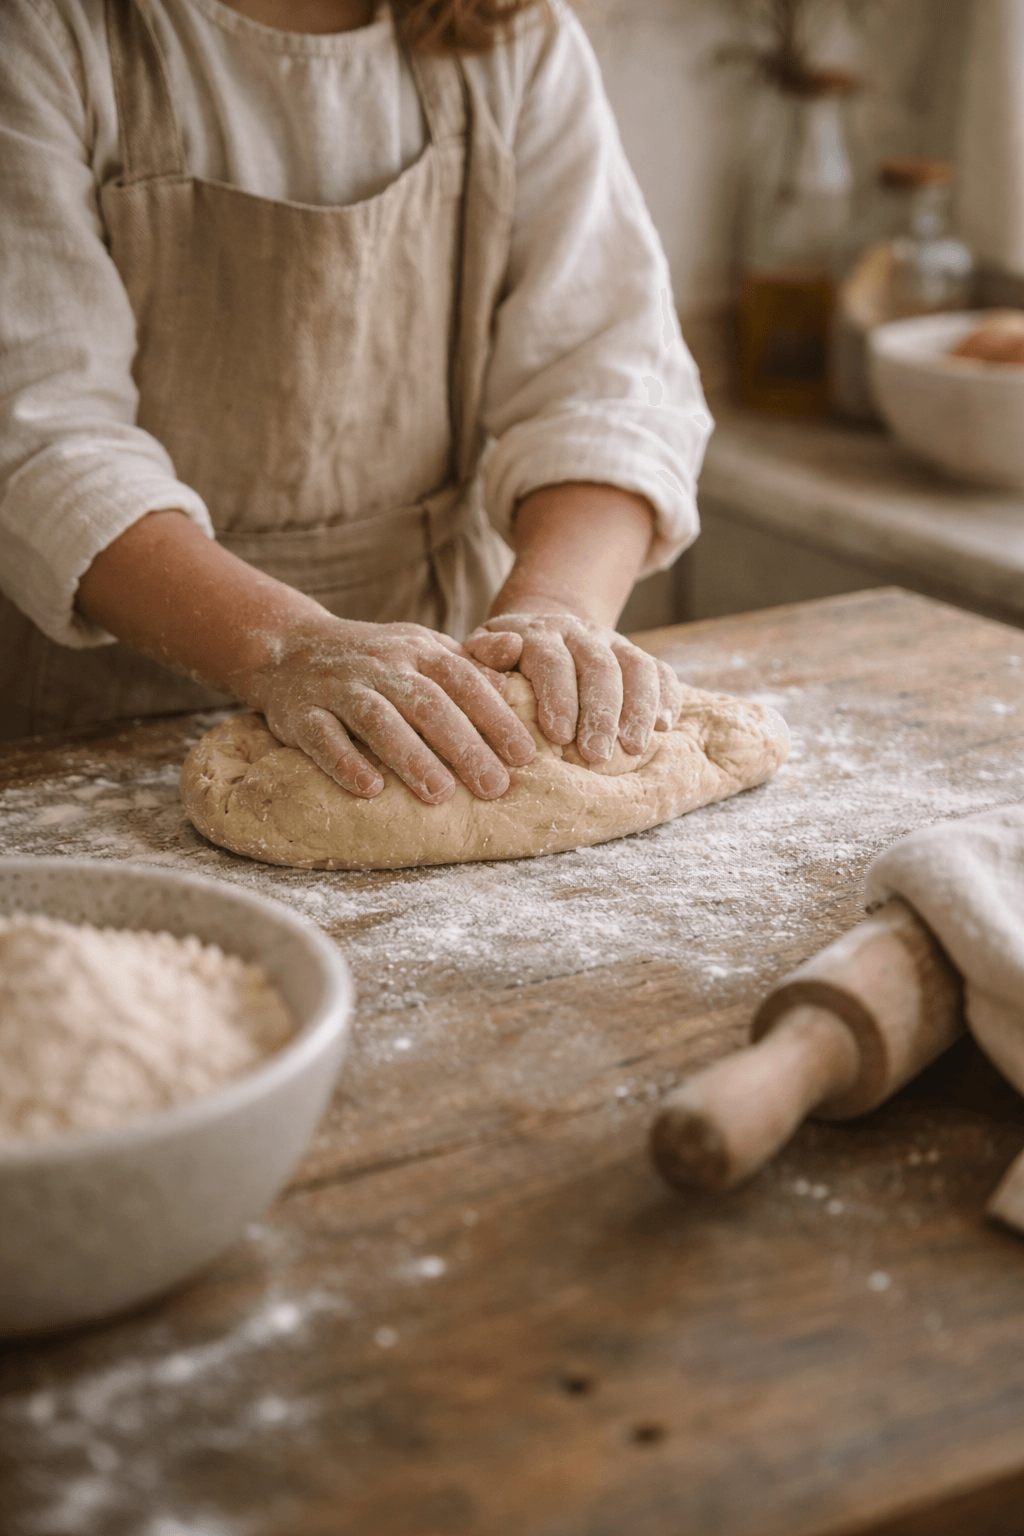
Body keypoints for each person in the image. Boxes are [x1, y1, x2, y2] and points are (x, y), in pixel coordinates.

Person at [0, 0, 713, 808]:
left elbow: (609, 384)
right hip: (97, 720)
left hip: (453, 713)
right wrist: (282, 649)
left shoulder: (509, 34)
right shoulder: (46, 32)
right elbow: (40, 437)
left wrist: (556, 614)